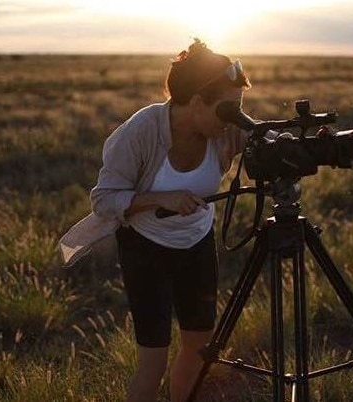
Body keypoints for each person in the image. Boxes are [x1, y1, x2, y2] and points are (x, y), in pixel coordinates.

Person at [59, 38, 251, 402]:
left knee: (198, 350)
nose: (234, 120)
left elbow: (263, 139)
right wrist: (160, 199)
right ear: (196, 102)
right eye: (229, 110)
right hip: (146, 248)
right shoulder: (141, 131)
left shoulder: (224, 130)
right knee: (154, 360)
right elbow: (104, 199)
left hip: (196, 244)